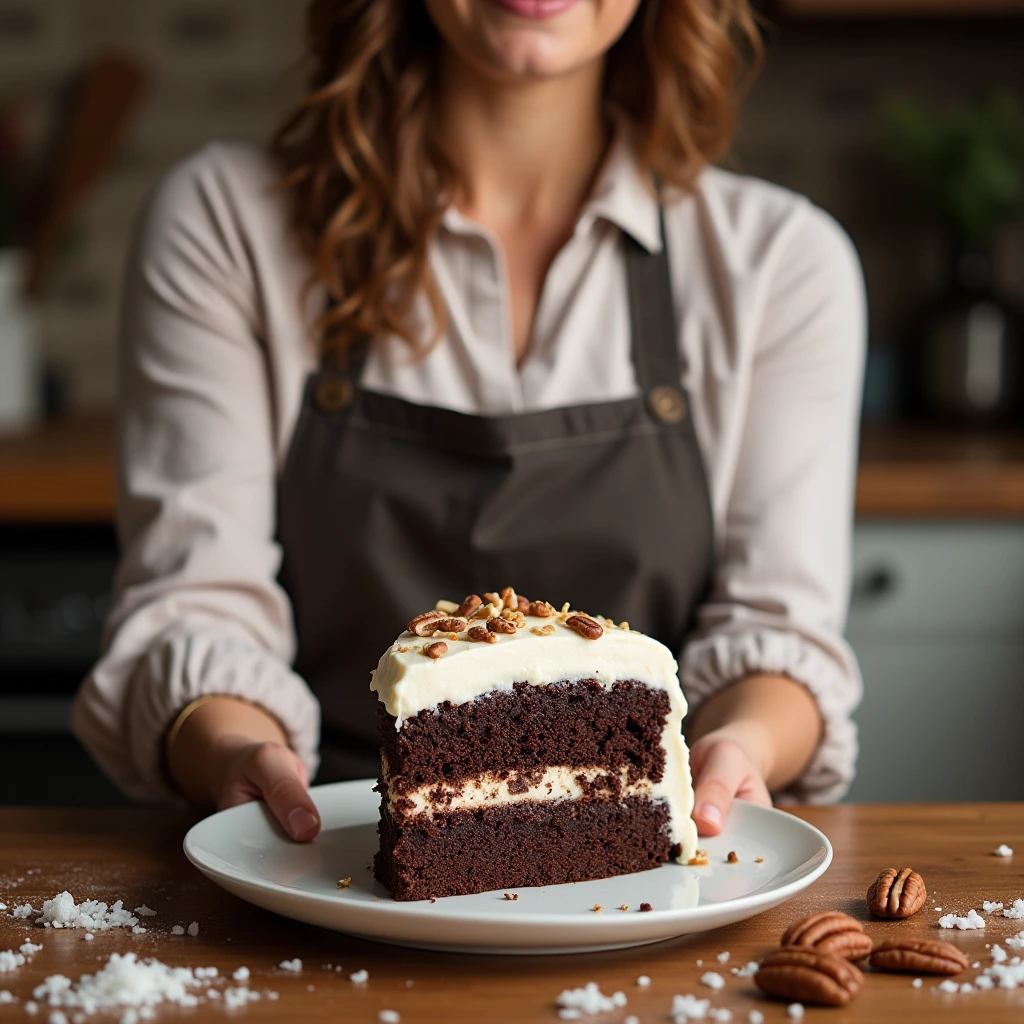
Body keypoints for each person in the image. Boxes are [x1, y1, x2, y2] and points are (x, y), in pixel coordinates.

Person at [73, 0, 865, 845]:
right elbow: (197, 605)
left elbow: (775, 635)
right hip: (321, 857)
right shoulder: (224, 225)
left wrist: (736, 748)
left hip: (652, 874)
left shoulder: (780, 265)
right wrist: (236, 750)